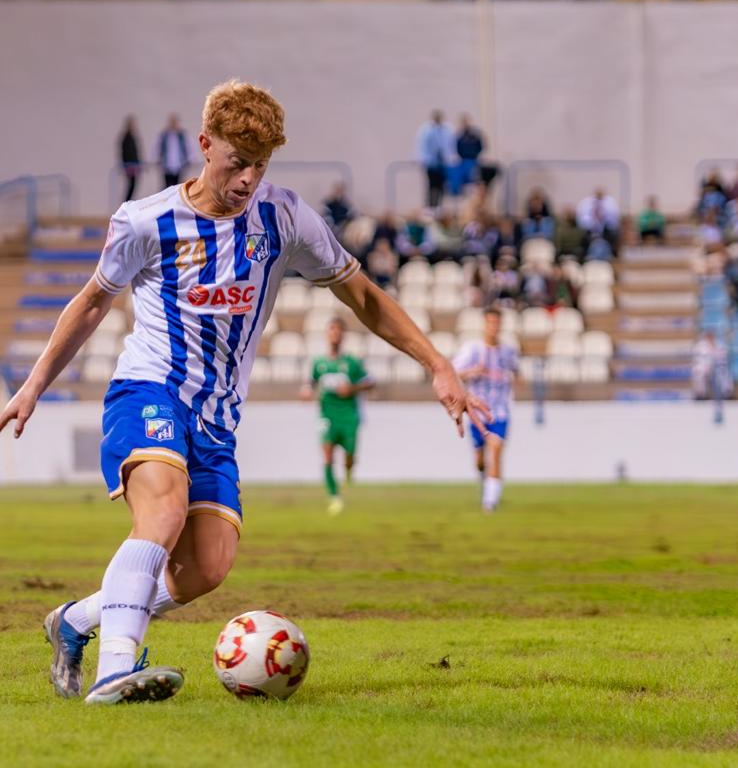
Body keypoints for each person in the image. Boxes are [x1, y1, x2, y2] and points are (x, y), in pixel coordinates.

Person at [16, 80, 487, 706]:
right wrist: (34, 385)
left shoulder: (284, 216)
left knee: (206, 568)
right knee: (162, 512)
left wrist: (437, 363)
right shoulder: (145, 221)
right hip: (148, 387)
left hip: (217, 418)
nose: (247, 180)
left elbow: (364, 295)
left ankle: (75, 621)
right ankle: (115, 670)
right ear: (205, 145)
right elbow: (92, 303)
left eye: (260, 166)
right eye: (237, 162)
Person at [300, 318, 374, 515]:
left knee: (349, 455)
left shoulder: (351, 362)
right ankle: (334, 497)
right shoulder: (319, 363)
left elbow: (370, 382)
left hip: (349, 416)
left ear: (343, 335)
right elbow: (310, 384)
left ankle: (349, 468)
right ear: (327, 334)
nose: (335, 334)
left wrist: (352, 388)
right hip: (327, 416)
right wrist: (306, 391)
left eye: (338, 331)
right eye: (331, 330)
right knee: (327, 456)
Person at [452, 308, 518, 512]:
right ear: (484, 324)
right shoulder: (473, 350)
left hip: (500, 411)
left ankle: (490, 503)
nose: (493, 327)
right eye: (490, 323)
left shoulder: (508, 352)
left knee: (496, 449)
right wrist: (473, 371)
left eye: (497, 323)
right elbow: (453, 374)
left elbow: (517, 372)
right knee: (480, 459)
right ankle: (484, 480)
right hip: (477, 413)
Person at [415, 109, 455, 209]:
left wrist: (450, 159)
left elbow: (450, 145)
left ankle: (439, 207)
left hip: (443, 163)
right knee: (431, 185)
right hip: (431, 163)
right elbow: (422, 146)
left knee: (441, 186)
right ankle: (430, 206)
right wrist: (423, 160)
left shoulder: (447, 129)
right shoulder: (426, 130)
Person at [691, 331, 732, 400]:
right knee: (698, 372)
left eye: (712, 336)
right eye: (709, 336)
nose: (711, 338)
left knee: (725, 373)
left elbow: (723, 357)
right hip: (704, 365)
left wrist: (716, 364)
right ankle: (701, 394)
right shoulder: (700, 345)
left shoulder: (719, 344)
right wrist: (707, 365)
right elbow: (698, 358)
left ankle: (727, 393)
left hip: (717, 365)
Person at [451, 114, 485, 196]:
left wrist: (474, 154)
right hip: (463, 161)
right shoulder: (459, 136)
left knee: (474, 180)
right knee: (463, 182)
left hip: (473, 160)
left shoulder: (475, 135)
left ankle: (474, 198)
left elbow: (480, 146)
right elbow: (457, 148)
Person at [157, 114, 190, 189]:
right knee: (166, 187)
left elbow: (188, 147)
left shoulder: (182, 135)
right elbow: (157, 147)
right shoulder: (164, 135)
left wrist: (190, 159)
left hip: (179, 165)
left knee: (177, 187)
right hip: (166, 165)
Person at [118, 116, 141, 202]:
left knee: (133, 185)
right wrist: (127, 165)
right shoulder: (126, 137)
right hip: (130, 165)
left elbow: (135, 152)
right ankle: (127, 202)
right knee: (131, 185)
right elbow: (125, 152)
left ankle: (128, 202)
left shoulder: (132, 137)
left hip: (133, 164)